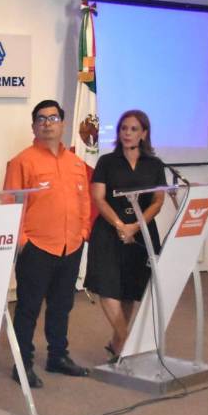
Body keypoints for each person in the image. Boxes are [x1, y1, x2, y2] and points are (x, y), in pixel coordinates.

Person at [3, 99, 91, 388]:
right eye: (41, 119)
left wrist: (83, 231)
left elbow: (83, 200)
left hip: (71, 245)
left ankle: (58, 356)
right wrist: (22, 241)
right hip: (37, 248)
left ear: (63, 124)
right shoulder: (22, 162)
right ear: (34, 126)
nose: (47, 123)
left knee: (62, 305)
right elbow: (10, 203)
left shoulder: (76, 163)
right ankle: (22, 364)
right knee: (28, 309)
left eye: (53, 118)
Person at [85, 110, 167, 361]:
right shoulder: (107, 162)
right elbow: (98, 198)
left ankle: (117, 342)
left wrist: (136, 227)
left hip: (142, 232)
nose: (127, 133)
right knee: (107, 286)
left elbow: (158, 200)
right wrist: (121, 225)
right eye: (123, 128)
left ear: (144, 133)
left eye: (133, 129)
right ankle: (126, 341)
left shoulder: (154, 164)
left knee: (130, 289)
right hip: (109, 231)